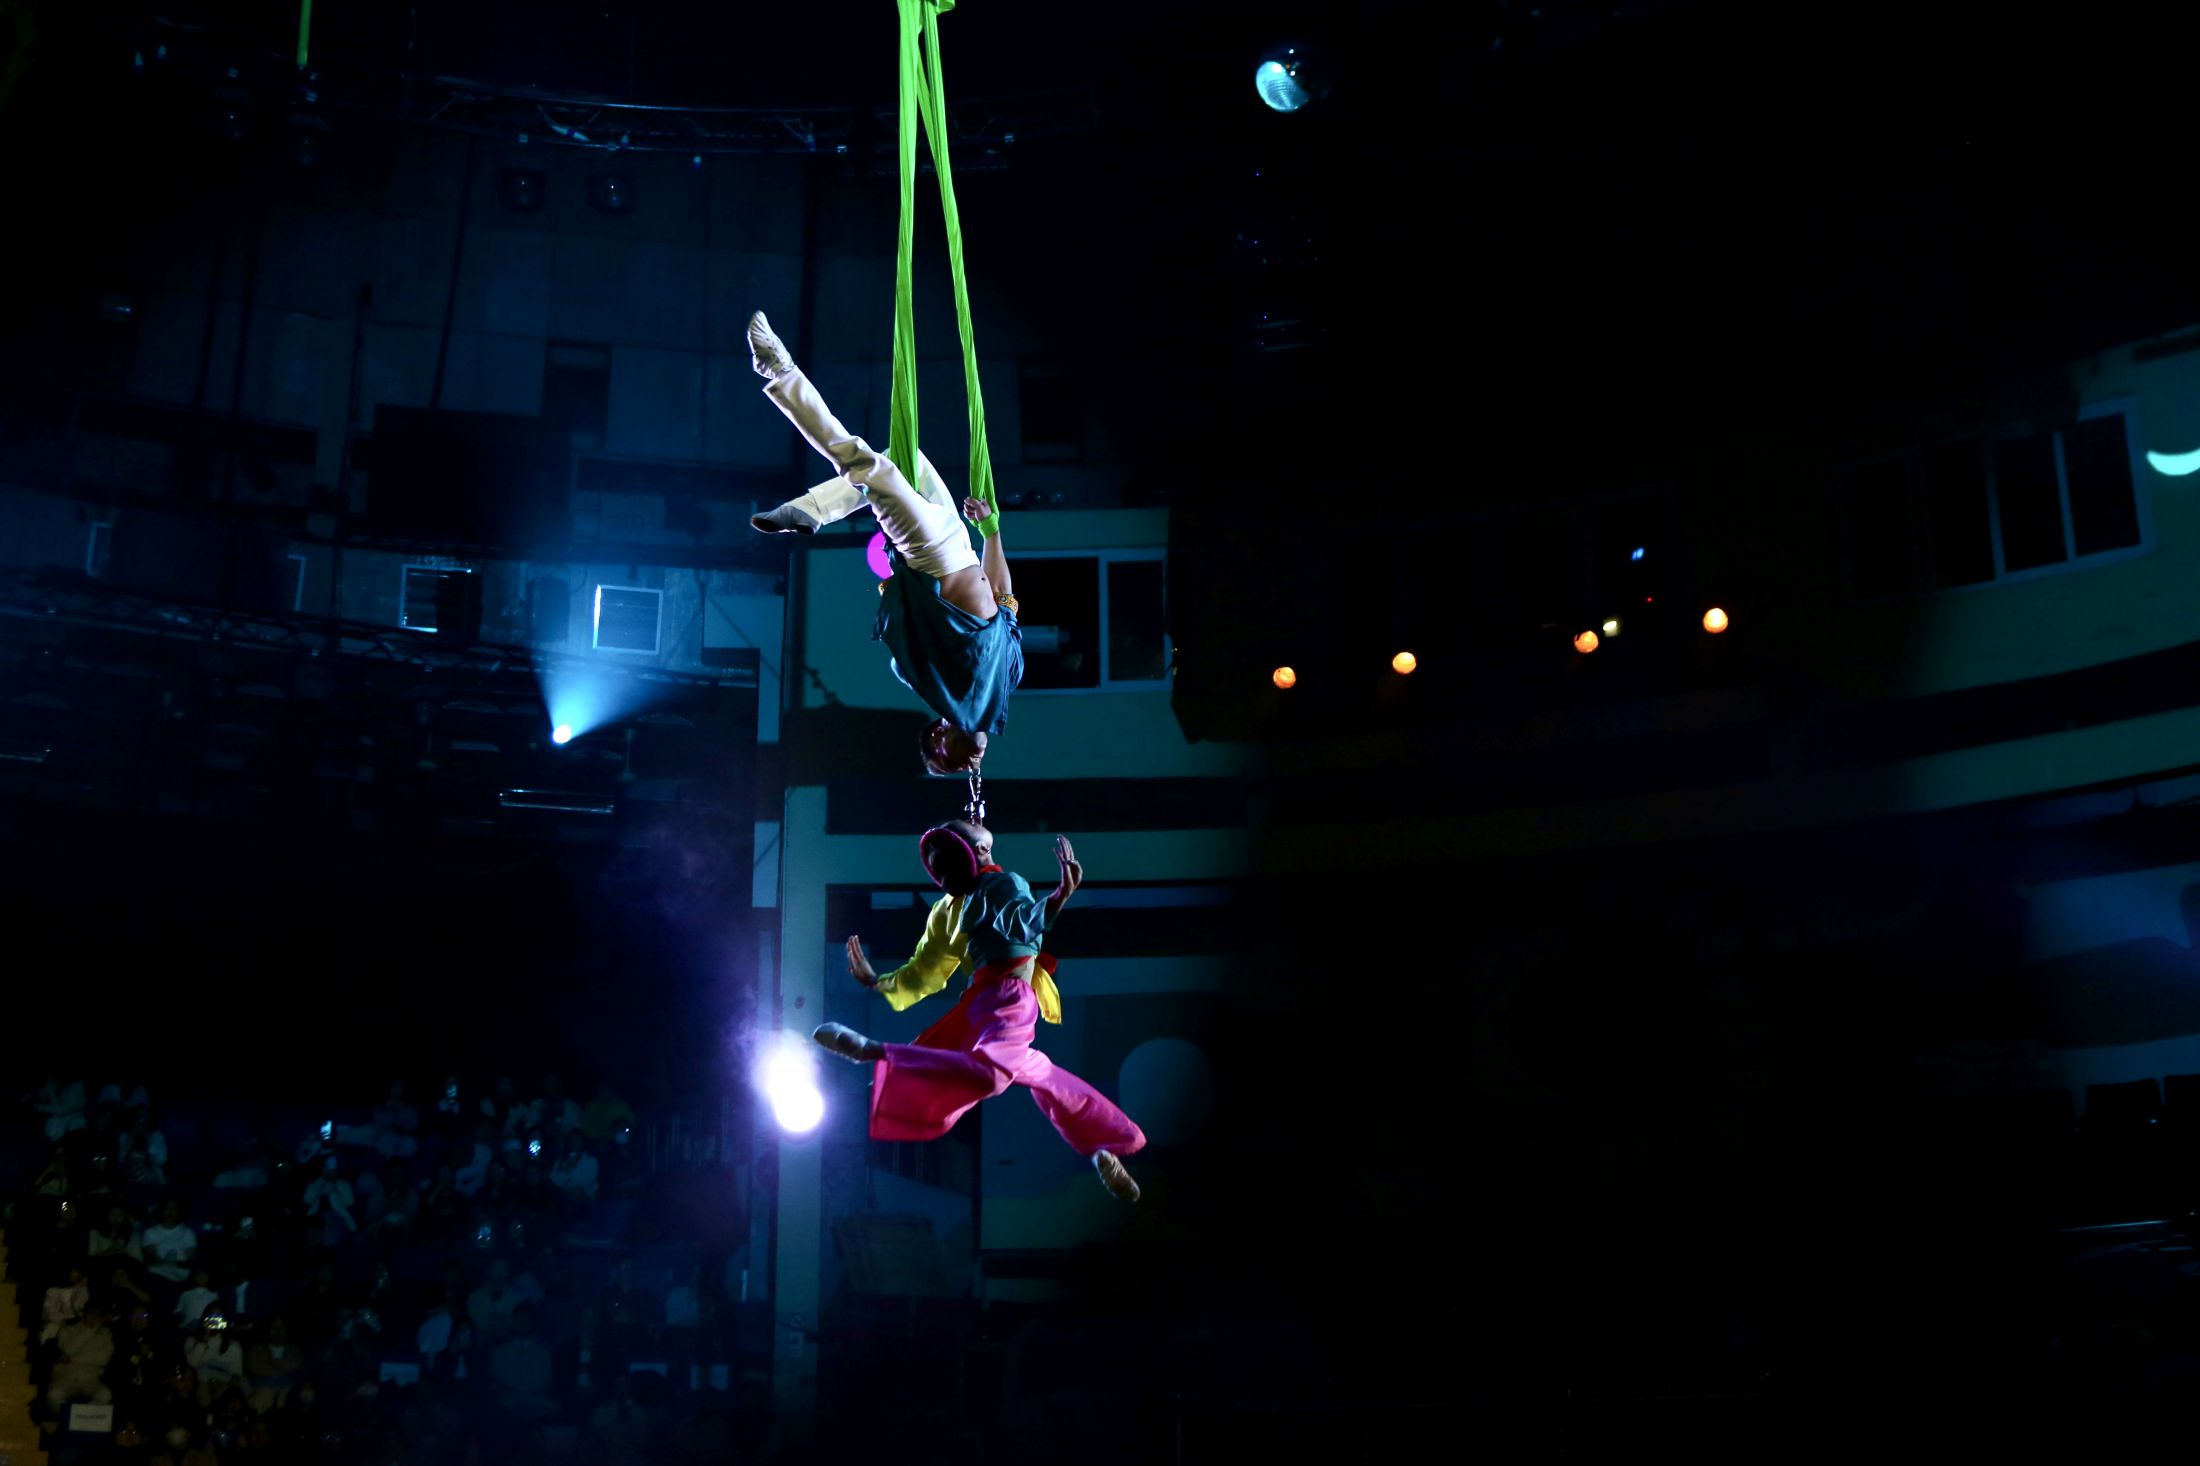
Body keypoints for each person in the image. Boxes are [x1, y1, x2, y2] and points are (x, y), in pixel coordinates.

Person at [744, 311, 1022, 775]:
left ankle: (778, 370)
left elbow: (969, 726)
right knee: (906, 458)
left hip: (929, 555)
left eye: (946, 749)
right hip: (960, 543)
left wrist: (959, 757)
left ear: (939, 734)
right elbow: (1004, 597)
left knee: (870, 469)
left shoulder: (933, 684)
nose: (971, 752)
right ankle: (815, 510)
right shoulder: (1008, 678)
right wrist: (991, 531)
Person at [819, 824, 1145, 1202]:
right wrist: (879, 982)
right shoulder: (957, 905)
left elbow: (1016, 924)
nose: (943, 879)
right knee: (1001, 1076)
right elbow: (930, 966)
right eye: (937, 871)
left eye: (948, 866)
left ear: (975, 854)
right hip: (996, 1002)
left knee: (1033, 1075)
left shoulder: (992, 889)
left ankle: (1102, 1146)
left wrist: (1057, 899)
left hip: (993, 1003)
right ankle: (875, 1051)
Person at [49, 1300, 117, 1412]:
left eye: (97, 1314)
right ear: (84, 1313)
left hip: (90, 1379)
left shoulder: (105, 1334)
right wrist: (89, 1329)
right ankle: (64, 1419)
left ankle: (83, 1416)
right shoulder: (68, 1329)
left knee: (105, 1395)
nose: (94, 1316)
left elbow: (103, 1358)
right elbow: (67, 1349)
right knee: (54, 1395)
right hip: (65, 1377)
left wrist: (72, 1359)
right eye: (91, 1313)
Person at [141, 1198, 198, 1283]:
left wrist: (175, 1263)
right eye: (167, 1208)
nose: (170, 1212)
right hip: (156, 1276)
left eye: (174, 1208)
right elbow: (150, 1257)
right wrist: (165, 1262)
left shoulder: (188, 1233)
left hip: (180, 1278)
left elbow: (190, 1260)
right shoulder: (149, 1233)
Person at [548, 1130, 599, 1204]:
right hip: (562, 1195)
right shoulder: (561, 1160)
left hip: (584, 1198)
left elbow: (586, 1180)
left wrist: (570, 1170)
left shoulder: (591, 1160)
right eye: (571, 1139)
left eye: (577, 1139)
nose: (574, 1142)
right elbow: (553, 1177)